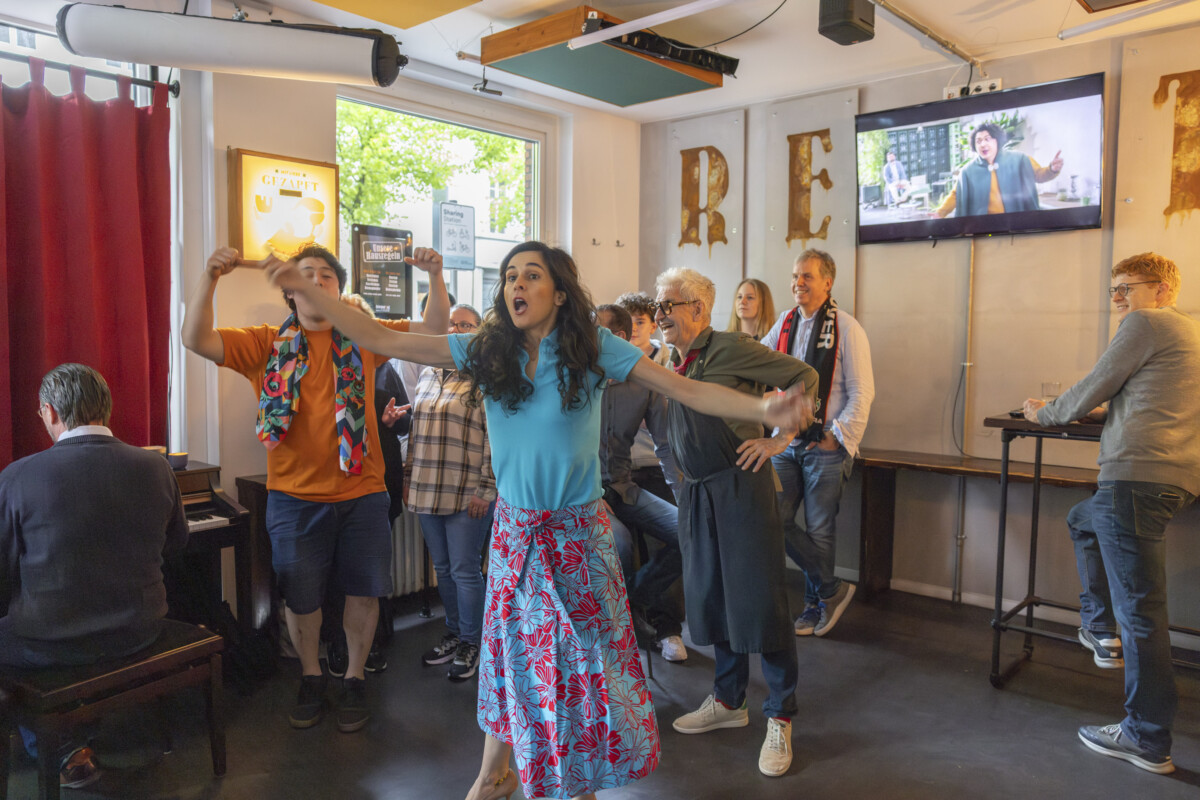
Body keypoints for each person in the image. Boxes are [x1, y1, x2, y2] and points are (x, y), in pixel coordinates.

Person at [265, 241, 813, 800]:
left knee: (577, 671)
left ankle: (578, 787)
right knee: (506, 656)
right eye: (509, 278)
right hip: (515, 532)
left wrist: (765, 411)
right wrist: (309, 291)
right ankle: (491, 775)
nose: (517, 285)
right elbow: (382, 338)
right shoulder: (486, 349)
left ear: (558, 291)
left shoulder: (593, 348)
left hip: (578, 537)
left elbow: (685, 389)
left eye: (531, 275)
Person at [182, 244, 449, 734]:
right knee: (301, 598)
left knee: (363, 595)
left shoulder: (363, 337)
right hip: (293, 498)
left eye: (327, 275)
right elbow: (195, 338)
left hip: (364, 493)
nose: (317, 280)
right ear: (289, 287)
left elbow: (432, 333)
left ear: (339, 290)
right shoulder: (264, 342)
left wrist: (434, 276)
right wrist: (210, 276)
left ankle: (351, 679)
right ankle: (310, 675)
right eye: (306, 273)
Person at [1022, 252, 1200, 776]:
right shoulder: (1187, 333)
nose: (1119, 298)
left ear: (1164, 290)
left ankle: (1147, 738)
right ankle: (1101, 630)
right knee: (1083, 518)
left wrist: (1042, 414)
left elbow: (1090, 387)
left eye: (1130, 287)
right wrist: (1107, 410)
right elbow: (1147, 399)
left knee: (1142, 612)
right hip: (1173, 476)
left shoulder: (1146, 323)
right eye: (1114, 289)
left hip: (1135, 479)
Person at [653, 267, 818, 778]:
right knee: (714, 598)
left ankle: (780, 716)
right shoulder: (670, 361)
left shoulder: (725, 348)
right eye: (657, 307)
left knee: (760, 602)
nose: (659, 316)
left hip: (742, 488)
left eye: (667, 306)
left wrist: (777, 440)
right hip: (700, 494)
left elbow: (803, 377)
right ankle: (728, 702)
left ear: (698, 309)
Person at [0, 363, 189, 789]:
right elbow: (177, 545)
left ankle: (59, 746)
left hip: (54, 642)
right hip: (140, 629)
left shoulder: (18, 477)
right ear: (106, 407)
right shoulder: (156, 467)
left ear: (49, 413)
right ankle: (76, 732)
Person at [761, 249, 875, 638]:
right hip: (786, 443)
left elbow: (862, 392)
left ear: (828, 282)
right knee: (773, 517)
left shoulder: (847, 327)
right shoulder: (783, 324)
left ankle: (815, 606)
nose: (798, 284)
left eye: (807, 276)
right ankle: (832, 590)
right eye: (795, 276)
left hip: (825, 446)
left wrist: (835, 437)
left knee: (821, 529)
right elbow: (759, 360)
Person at [323, 294, 411, 678]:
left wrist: (392, 420)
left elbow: (405, 419)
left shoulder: (383, 365)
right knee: (335, 571)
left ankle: (375, 641)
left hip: (380, 475)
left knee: (372, 567)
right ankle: (339, 645)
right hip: (332, 482)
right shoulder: (319, 363)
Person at [595, 303, 687, 663]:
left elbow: (666, 446)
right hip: (584, 493)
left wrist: (683, 497)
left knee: (691, 532)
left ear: (618, 339)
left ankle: (631, 601)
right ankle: (617, 637)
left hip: (623, 486)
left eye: (597, 333)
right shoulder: (575, 378)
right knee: (618, 543)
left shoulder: (644, 381)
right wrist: (587, 493)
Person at [409, 303, 496, 682]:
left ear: (479, 333)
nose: (457, 328)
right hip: (426, 489)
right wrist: (407, 473)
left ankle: (473, 642)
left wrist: (487, 489)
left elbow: (497, 439)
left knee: (465, 570)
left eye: (467, 324)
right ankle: (457, 633)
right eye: (452, 323)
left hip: (467, 493)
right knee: (442, 569)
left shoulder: (487, 378)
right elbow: (418, 428)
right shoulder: (427, 373)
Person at [934, 122, 1063, 217]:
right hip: (983, 227)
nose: (983, 144)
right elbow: (956, 195)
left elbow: (1039, 175)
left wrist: (1052, 169)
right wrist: (939, 213)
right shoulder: (968, 171)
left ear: (997, 141)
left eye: (987, 139)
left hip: (1016, 223)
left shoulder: (1019, 159)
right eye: (978, 141)